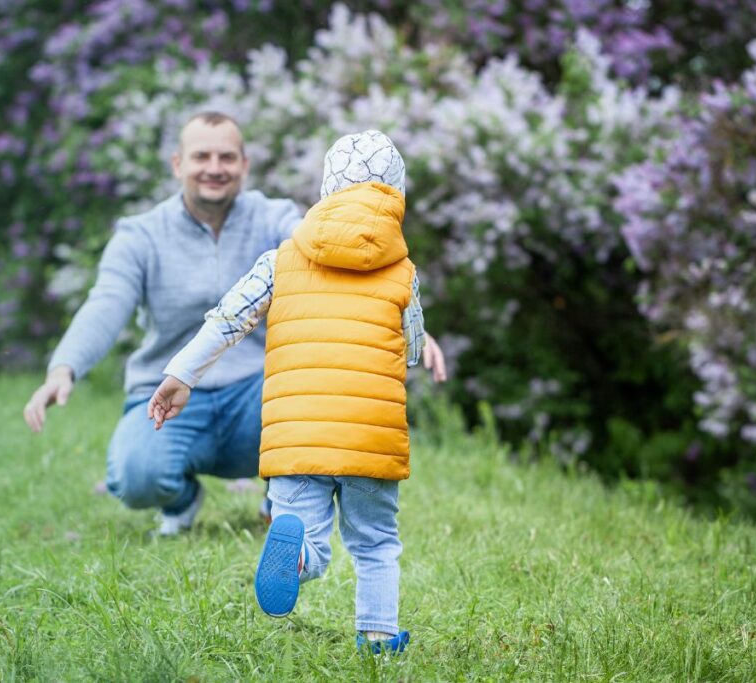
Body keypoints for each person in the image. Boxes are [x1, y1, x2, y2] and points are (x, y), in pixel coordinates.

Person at [23, 114, 446, 536]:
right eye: (201, 156)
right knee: (136, 476)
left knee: (318, 390)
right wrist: (65, 368)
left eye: (226, 157)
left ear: (244, 165)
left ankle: (280, 501)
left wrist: (410, 321)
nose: (214, 167)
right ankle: (183, 500)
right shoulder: (140, 235)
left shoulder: (276, 218)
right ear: (177, 164)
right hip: (169, 394)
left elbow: (341, 260)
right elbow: (106, 304)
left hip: (258, 394)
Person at [148, 130, 419, 653]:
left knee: (309, 536)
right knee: (375, 543)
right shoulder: (403, 272)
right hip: (369, 442)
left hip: (296, 437)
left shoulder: (281, 259)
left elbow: (229, 319)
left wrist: (182, 374)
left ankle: (296, 559)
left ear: (326, 189)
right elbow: (410, 348)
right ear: (394, 197)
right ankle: (379, 637)